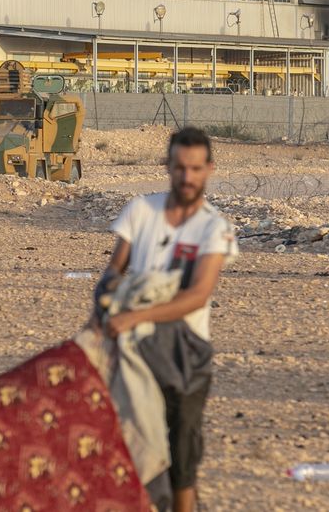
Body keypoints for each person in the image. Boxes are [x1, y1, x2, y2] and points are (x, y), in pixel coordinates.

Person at [95, 127, 238, 512]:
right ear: (168, 167)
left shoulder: (215, 228)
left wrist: (137, 314)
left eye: (195, 169)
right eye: (179, 168)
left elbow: (197, 296)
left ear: (208, 169)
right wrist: (108, 297)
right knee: (136, 440)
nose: (187, 177)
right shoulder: (141, 211)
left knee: (183, 448)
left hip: (186, 352)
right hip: (135, 349)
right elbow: (114, 268)